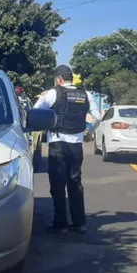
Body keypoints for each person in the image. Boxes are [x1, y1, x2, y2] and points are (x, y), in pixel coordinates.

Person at [34, 65, 102, 234]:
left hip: (58, 143)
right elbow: (98, 117)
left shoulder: (53, 93)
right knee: (75, 182)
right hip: (76, 145)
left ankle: (61, 223)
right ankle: (79, 223)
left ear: (59, 79)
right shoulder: (86, 94)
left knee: (57, 185)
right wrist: (89, 133)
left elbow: (35, 112)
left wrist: (41, 98)